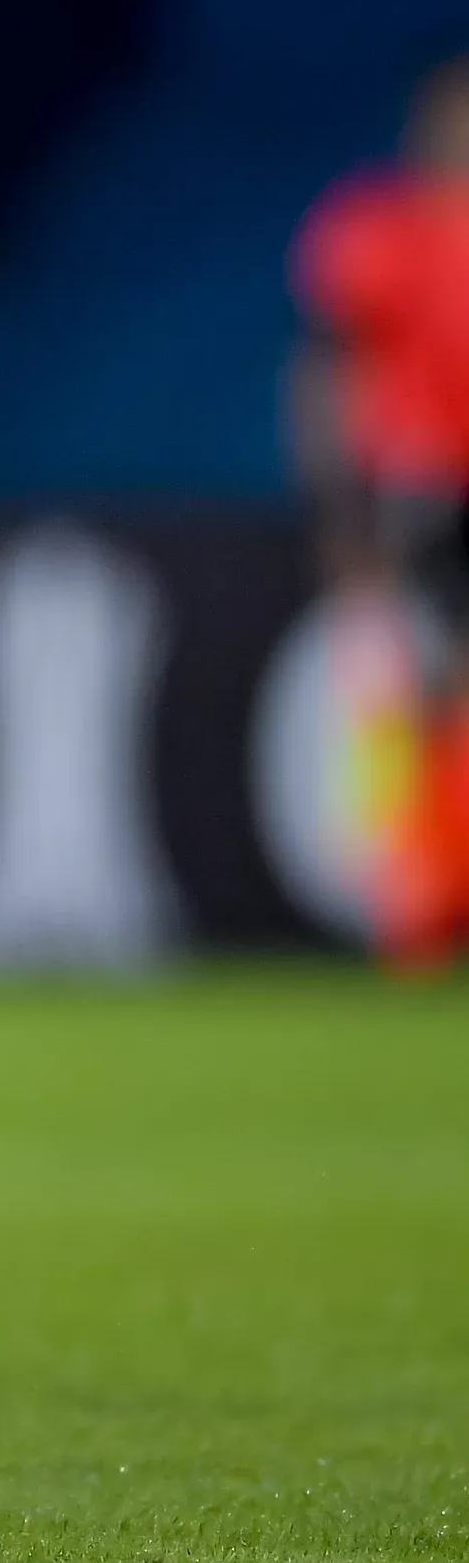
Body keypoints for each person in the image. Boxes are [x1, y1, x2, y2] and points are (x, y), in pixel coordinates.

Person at [292, 53, 469, 968]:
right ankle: (412, 893)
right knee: (403, 690)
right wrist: (342, 511)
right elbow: (328, 375)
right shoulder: (379, 236)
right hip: (422, 487)